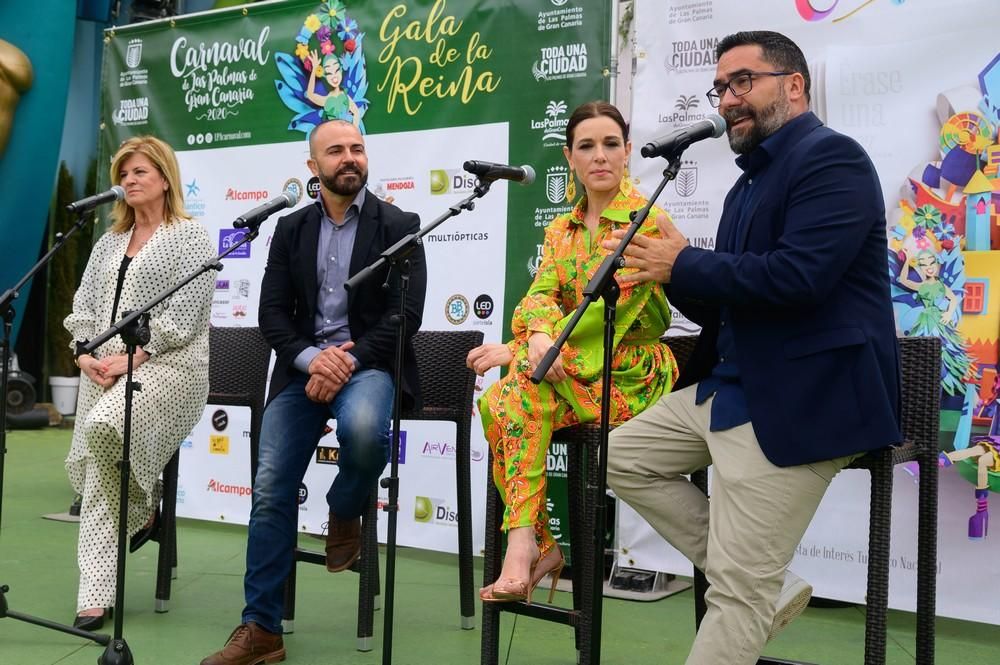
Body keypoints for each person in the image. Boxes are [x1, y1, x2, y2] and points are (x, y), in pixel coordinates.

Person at [604, 30, 902, 665]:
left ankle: (753, 586)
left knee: (737, 593)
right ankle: (777, 584)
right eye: (720, 86)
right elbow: (732, 301)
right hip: (735, 387)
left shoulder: (833, 160)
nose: (728, 98)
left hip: (803, 396)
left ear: (793, 86)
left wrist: (685, 263)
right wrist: (664, 271)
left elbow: (800, 279)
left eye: (743, 81)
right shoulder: (745, 187)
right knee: (622, 455)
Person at [200, 118, 426, 665]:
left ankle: (345, 508)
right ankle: (261, 629)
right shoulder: (290, 229)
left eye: (357, 148)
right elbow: (271, 315)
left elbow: (406, 317)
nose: (349, 158)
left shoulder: (401, 223)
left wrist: (343, 359)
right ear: (313, 167)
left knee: (366, 430)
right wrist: (311, 358)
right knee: (272, 485)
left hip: (367, 364)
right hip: (302, 370)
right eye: (335, 151)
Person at [467, 101, 678, 603]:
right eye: (587, 146)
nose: (599, 156)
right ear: (570, 156)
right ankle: (528, 546)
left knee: (509, 396)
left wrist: (522, 352)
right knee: (505, 399)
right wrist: (535, 339)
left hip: (628, 369)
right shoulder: (561, 229)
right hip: (568, 367)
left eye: (610, 144)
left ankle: (532, 549)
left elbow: (608, 313)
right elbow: (539, 295)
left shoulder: (645, 221)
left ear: (627, 152)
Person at [64, 135, 214, 630]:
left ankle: (145, 501)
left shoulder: (190, 237)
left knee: (106, 430)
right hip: (103, 369)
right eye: (123, 175)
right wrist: (84, 354)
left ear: (165, 179)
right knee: (106, 472)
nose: (127, 182)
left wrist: (133, 358)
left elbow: (185, 317)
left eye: (139, 173)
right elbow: (83, 307)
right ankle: (95, 591)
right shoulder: (107, 241)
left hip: (171, 369)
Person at [306, 51, 361, 127]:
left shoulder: (345, 96)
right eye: (329, 73)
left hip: (346, 134)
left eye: (337, 70)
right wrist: (314, 69)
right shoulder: (326, 100)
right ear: (325, 76)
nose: (334, 76)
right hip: (332, 135)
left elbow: (356, 112)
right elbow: (310, 94)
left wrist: (354, 131)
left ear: (341, 70)